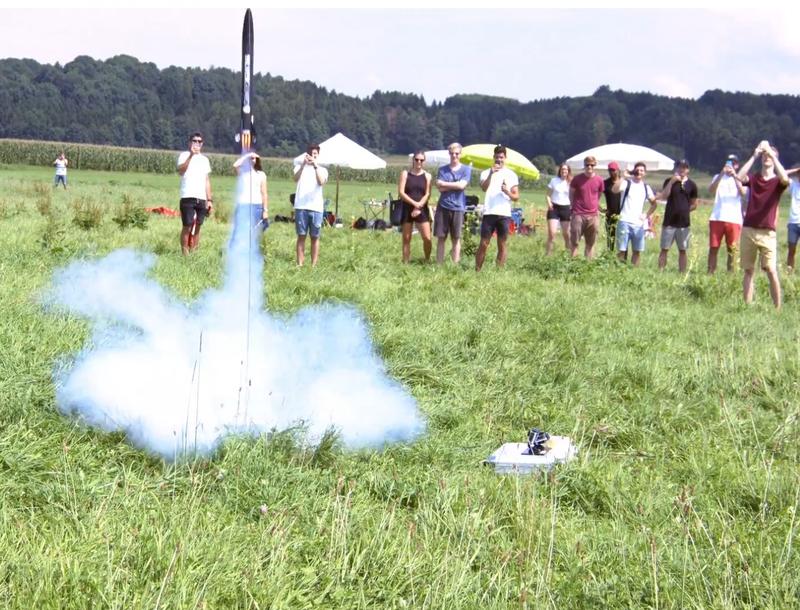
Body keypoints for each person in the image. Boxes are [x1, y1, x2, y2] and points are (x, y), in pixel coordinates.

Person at [737, 140, 790, 308]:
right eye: (765, 156)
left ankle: (777, 309)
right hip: (749, 229)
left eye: (770, 155)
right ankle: (746, 306)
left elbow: (785, 179)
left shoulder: (777, 182)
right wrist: (754, 155)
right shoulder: (754, 178)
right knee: (748, 270)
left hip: (768, 232)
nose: (766, 157)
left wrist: (773, 156)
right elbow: (739, 177)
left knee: (771, 270)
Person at [475, 145, 520, 271]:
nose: (499, 159)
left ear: (505, 158)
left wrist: (507, 192)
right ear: (493, 157)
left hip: (504, 214)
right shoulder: (485, 172)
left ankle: (498, 271)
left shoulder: (511, 175)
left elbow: (516, 196)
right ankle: (477, 270)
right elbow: (484, 188)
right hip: (489, 212)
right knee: (484, 243)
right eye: (497, 157)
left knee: (502, 244)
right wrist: (491, 173)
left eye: (501, 157)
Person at [611, 161, 658, 266]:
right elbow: (614, 190)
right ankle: (619, 271)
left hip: (638, 224)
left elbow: (654, 204)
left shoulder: (646, 187)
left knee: (637, 251)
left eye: (642, 170)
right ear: (634, 171)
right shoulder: (626, 183)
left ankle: (633, 271)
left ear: (644, 173)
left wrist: (646, 215)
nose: (639, 172)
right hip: (624, 221)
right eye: (637, 170)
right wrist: (623, 177)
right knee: (622, 250)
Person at [707, 154, 747, 273]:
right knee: (713, 247)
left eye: (733, 163)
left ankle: (731, 273)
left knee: (732, 249)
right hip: (717, 217)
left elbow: (743, 193)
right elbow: (711, 190)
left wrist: (735, 176)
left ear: (737, 165)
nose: (731, 165)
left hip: (734, 219)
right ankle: (710, 272)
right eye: (729, 162)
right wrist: (721, 174)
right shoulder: (717, 177)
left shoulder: (741, 178)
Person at [434, 142, 472, 264]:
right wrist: (455, 185)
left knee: (456, 238)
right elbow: (439, 188)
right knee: (441, 237)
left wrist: (445, 184)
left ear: (460, 154)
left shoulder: (466, 169)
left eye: (456, 153)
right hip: (443, 206)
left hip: (458, 207)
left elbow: (462, 186)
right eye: (452, 153)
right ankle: (439, 265)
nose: (454, 156)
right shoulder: (442, 170)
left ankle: (454, 266)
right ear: (449, 154)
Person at [658, 159, 698, 272]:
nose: (682, 169)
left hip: (684, 223)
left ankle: (682, 273)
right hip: (669, 221)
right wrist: (671, 182)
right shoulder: (669, 181)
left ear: (688, 170)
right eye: (680, 167)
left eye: (684, 167)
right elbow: (664, 196)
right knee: (664, 248)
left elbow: (694, 204)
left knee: (683, 250)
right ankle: (660, 271)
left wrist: (685, 211)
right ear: (676, 168)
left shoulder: (692, 185)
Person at [177, 132, 213, 255]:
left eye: (199, 141)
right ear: (190, 142)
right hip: (188, 195)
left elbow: (207, 180)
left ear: (202, 144)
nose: (197, 143)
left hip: (201, 197)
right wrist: (191, 155)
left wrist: (209, 200)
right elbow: (181, 171)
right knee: (187, 226)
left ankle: (194, 252)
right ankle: (185, 254)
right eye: (194, 141)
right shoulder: (184, 155)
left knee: (198, 226)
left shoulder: (205, 160)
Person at [293, 143, 329, 267]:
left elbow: (321, 182)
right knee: (301, 236)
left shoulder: (322, 170)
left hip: (316, 208)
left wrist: (315, 166)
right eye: (310, 154)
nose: (312, 156)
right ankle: (300, 264)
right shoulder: (298, 166)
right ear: (306, 154)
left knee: (315, 237)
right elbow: (295, 178)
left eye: (315, 154)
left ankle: (313, 266)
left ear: (318, 155)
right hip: (301, 207)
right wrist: (303, 165)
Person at [398, 150, 433, 263]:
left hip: (422, 209)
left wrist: (419, 206)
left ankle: (427, 260)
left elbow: (427, 193)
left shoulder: (427, 176)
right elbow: (401, 193)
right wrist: (414, 204)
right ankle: (406, 263)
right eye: (417, 159)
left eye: (421, 160)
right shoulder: (405, 174)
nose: (419, 162)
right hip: (407, 208)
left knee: (427, 238)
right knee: (406, 238)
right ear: (413, 160)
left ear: (424, 161)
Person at [569, 156, 605, 259]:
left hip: (593, 215)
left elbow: (599, 195)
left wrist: (595, 206)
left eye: (592, 165)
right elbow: (571, 193)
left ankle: (588, 267)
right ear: (584, 165)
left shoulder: (599, 180)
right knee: (575, 242)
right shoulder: (577, 179)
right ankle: (573, 265)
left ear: (595, 165)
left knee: (590, 243)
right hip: (578, 214)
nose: (589, 167)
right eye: (587, 165)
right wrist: (573, 207)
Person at [231, 152, 268, 251]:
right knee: (240, 228)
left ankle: (252, 250)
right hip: (243, 205)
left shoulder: (261, 175)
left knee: (254, 231)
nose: (252, 160)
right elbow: (235, 165)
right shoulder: (242, 172)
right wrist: (247, 155)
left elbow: (264, 193)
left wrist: (265, 210)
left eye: (254, 158)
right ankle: (237, 250)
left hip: (257, 205)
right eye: (250, 158)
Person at [545, 163, 572, 255]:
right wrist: (549, 204)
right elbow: (548, 195)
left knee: (566, 234)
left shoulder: (571, 182)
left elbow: (574, 197)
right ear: (560, 170)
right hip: (554, 208)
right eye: (562, 169)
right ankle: (548, 255)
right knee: (552, 233)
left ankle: (568, 255)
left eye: (566, 169)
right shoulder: (554, 180)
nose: (564, 171)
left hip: (566, 208)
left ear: (568, 171)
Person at [602, 162, 622, 251]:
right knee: (610, 238)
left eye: (613, 170)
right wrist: (600, 209)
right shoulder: (605, 183)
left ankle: (622, 259)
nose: (612, 172)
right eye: (610, 170)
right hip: (610, 214)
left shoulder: (624, 182)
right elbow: (595, 196)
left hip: (623, 214)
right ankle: (609, 257)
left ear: (618, 170)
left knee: (622, 238)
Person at [785, 166, 800, 270]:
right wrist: (795, 170)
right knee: (791, 250)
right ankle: (789, 272)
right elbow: (782, 174)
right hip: (793, 223)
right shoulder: (794, 185)